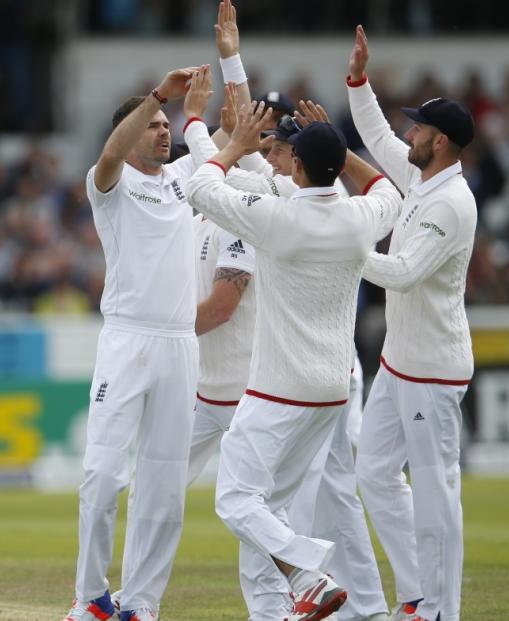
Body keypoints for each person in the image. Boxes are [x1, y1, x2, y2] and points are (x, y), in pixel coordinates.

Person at [181, 62, 388, 621]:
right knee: (267, 506)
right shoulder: (358, 217)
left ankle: (306, 572)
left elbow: (204, 185)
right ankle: (274, 611)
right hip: (331, 390)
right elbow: (386, 187)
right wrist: (340, 151)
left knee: (234, 500)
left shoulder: (273, 216)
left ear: (295, 162)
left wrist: (202, 127)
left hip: (277, 390)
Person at [345, 25, 477, 621]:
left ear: (441, 141)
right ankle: (418, 591)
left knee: (436, 489)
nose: (408, 134)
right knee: (373, 474)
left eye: (418, 128)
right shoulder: (424, 177)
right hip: (399, 362)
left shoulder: (450, 203)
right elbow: (373, 132)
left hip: (432, 370)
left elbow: (399, 273)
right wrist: (358, 80)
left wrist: (337, 246)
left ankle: (441, 611)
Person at [64, 65, 201, 621]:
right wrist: (159, 95)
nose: (164, 131)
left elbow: (229, 146)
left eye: (168, 125)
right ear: (133, 130)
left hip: (180, 345)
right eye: (154, 124)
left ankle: (142, 603)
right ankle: (90, 597)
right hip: (127, 340)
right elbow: (111, 151)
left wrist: (221, 86)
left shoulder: (185, 177)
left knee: (165, 489)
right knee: (102, 476)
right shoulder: (109, 182)